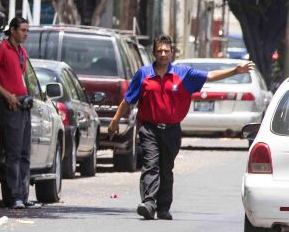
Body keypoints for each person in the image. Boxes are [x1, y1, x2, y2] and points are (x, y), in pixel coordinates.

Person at [108, 34, 254, 220]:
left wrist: (235, 70)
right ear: (153, 52)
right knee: (150, 165)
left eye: (166, 51)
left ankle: (163, 208)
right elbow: (128, 100)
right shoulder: (143, 74)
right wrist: (114, 121)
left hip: (172, 130)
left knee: (166, 168)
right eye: (159, 50)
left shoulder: (183, 73)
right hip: (149, 128)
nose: (162, 54)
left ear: (172, 53)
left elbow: (209, 76)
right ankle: (148, 203)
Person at [0, 16, 35, 210]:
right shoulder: (2, 49)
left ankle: (24, 194)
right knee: (13, 153)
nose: (26, 33)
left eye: (27, 30)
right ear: (12, 30)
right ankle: (14, 196)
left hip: (23, 105)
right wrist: (6, 95)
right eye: (22, 30)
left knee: (24, 153)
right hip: (10, 106)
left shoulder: (22, 52)